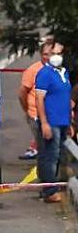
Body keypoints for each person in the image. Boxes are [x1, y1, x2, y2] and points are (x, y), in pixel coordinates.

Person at [35, 42, 71, 203]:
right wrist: (44, 123)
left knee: (59, 156)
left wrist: (70, 122)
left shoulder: (64, 73)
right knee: (50, 155)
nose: (54, 56)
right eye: (50, 53)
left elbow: (65, 98)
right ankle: (49, 190)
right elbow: (39, 99)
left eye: (57, 53)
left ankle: (52, 186)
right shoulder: (44, 73)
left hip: (63, 121)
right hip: (51, 121)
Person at [18, 39, 54, 160]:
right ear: (40, 55)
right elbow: (22, 92)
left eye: (52, 54)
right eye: (45, 54)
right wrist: (27, 110)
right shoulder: (33, 70)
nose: (49, 57)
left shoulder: (61, 71)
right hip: (36, 115)